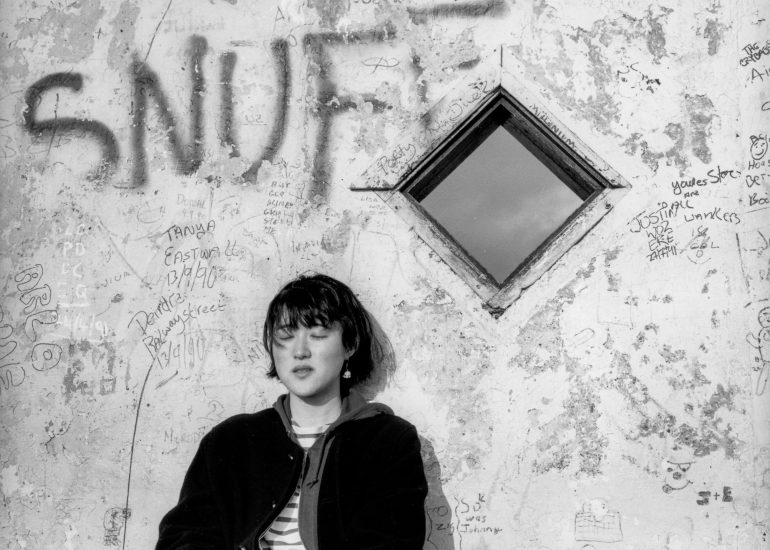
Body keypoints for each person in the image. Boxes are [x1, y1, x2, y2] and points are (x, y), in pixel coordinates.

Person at [156, 273, 428, 550]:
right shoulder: (231, 440)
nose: (300, 351)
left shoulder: (388, 441)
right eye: (285, 336)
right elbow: (185, 537)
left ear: (350, 345)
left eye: (317, 334)